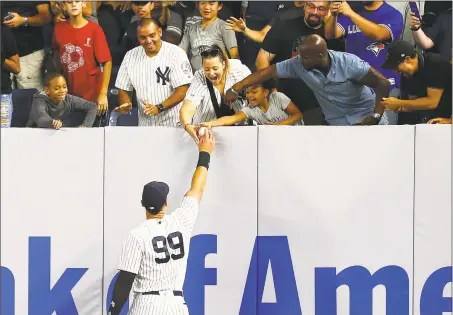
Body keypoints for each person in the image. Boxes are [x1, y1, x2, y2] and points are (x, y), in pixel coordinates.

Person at [107, 129, 216, 315]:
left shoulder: (137, 235)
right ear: (165, 203)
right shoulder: (181, 220)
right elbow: (197, 189)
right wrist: (205, 153)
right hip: (176, 305)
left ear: (143, 205)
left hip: (146, 305)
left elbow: (125, 281)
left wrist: (113, 312)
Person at [225, 34, 391, 126]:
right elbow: (267, 72)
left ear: (320, 56)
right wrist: (235, 88)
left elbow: (382, 83)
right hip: (337, 122)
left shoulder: (349, 63)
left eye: (304, 57)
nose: (299, 59)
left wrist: (376, 115)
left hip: (366, 115)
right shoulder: (298, 64)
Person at [325, 1, 403, 124]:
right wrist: (333, 16)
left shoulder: (393, 14)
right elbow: (330, 34)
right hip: (356, 90)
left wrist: (350, 13)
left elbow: (379, 33)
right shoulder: (353, 12)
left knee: (385, 135)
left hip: (386, 89)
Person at [114, 18, 193, 126]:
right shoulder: (130, 56)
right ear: (138, 37)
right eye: (143, 37)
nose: (148, 41)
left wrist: (159, 107)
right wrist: (126, 104)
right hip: (145, 125)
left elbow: (183, 90)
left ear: (160, 32)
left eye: (152, 35)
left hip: (174, 124)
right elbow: (123, 88)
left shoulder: (176, 53)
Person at [52, 0, 112, 117]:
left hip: (92, 95)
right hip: (68, 95)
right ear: (64, 5)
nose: (73, 4)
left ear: (84, 3)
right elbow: (55, 55)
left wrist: (103, 93)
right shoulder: (58, 29)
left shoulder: (95, 30)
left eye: (77, 1)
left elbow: (107, 62)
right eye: (69, 2)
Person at [180, 45, 251, 143]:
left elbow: (256, 94)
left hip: (240, 134)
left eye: (215, 68)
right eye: (207, 69)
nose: (211, 73)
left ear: (223, 64)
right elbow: (188, 106)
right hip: (206, 135)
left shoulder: (239, 70)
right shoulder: (199, 76)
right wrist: (187, 125)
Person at [380, 40, 452, 122]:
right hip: (434, 118)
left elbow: (432, 102)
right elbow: (413, 104)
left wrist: (399, 102)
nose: (395, 72)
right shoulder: (406, 76)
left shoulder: (435, 64)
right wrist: (397, 107)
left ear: (407, 59)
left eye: (396, 67)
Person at [200, 79, 303, 127]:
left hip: (298, 135)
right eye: (247, 92)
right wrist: (210, 123)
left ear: (265, 93)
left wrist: (278, 125)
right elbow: (231, 119)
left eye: (254, 92)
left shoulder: (278, 97)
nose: (249, 95)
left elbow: (298, 114)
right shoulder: (250, 109)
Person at [1, 1, 52, 90]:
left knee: (32, 100)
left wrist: (24, 20)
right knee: (6, 101)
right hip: (5, 58)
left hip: (29, 55)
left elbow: (46, 17)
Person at [179, 1, 239, 71]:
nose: (206, 7)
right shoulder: (190, 28)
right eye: (203, 3)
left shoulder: (225, 27)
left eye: (211, 3)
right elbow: (181, 53)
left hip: (218, 76)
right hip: (195, 76)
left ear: (220, 6)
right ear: (198, 5)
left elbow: (235, 56)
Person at [27, 72, 97, 129]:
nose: (62, 91)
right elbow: (41, 118)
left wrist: (85, 127)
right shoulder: (39, 101)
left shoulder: (68, 99)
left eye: (64, 87)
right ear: (47, 90)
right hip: (35, 136)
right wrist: (53, 122)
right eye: (57, 88)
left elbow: (92, 106)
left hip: (55, 135)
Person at [1, 25, 21, 128]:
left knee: (4, 137)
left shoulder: (3, 32)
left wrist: (1, 59)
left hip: (2, 95)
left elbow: (16, 68)